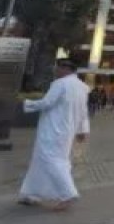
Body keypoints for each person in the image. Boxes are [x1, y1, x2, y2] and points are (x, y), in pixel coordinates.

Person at [19, 61, 89, 210]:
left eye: (57, 67)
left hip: (52, 129)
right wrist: (83, 129)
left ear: (65, 69)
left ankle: (68, 194)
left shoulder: (60, 83)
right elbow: (83, 110)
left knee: (51, 160)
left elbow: (47, 102)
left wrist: (26, 103)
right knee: (42, 160)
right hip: (67, 130)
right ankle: (32, 194)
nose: (55, 70)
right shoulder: (82, 86)